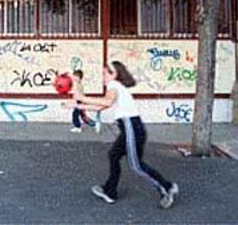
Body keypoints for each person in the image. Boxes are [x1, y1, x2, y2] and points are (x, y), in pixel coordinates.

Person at [72, 61, 179, 208]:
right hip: (131, 128)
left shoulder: (114, 85)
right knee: (114, 155)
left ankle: (167, 187)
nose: (102, 76)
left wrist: (82, 97)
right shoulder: (117, 87)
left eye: (104, 73)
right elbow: (101, 106)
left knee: (136, 166)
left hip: (131, 128)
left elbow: (107, 101)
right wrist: (77, 105)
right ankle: (110, 191)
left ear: (114, 74)